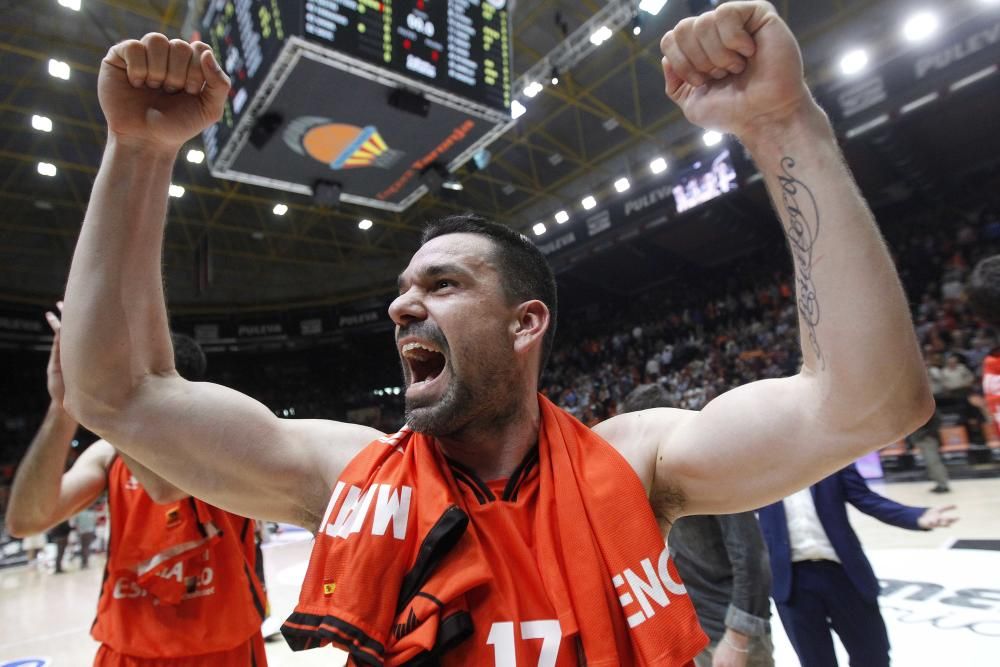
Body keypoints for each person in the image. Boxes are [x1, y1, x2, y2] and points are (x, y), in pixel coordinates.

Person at [58, 3, 933, 664]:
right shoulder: (341, 471)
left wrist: (785, 124)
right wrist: (136, 153)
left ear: (526, 322)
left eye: (441, 283)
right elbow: (118, 394)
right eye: (402, 289)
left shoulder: (637, 461)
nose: (403, 305)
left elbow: (868, 401)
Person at [5, 308, 268, 667]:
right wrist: (64, 406)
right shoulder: (109, 454)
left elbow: (164, 487)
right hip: (127, 647)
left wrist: (100, 396)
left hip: (221, 646)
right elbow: (25, 521)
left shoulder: (225, 437)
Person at [622, 384, 773, 667]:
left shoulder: (713, 464)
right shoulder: (659, 473)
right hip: (697, 629)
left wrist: (736, 640)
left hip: (729, 635)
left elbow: (752, 556)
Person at [757, 464, 957, 667]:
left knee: (873, 655)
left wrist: (915, 516)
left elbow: (866, 499)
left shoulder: (831, 457)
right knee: (814, 661)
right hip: (792, 582)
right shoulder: (756, 471)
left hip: (844, 574)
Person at [73, 502, 99, 569]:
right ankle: (85, 562)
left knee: (84, 547)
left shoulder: (79, 513)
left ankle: (84, 562)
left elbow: (76, 524)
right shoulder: (92, 514)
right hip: (90, 532)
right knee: (86, 547)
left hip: (82, 532)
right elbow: (95, 523)